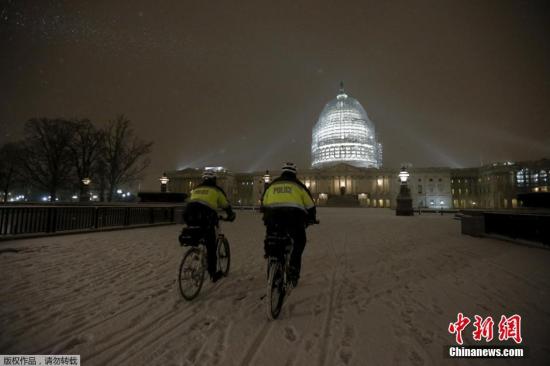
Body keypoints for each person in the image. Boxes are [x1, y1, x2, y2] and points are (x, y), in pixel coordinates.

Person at [261, 162, 317, 287]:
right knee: (299, 242)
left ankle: (272, 263)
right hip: (293, 222)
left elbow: (263, 203)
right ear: (294, 173)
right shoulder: (299, 186)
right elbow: (311, 206)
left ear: (282, 172)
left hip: (273, 221)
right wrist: (312, 218)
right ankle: (293, 270)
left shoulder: (272, 185)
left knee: (272, 240)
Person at [182, 170, 236, 282]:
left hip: (190, 217)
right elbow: (225, 205)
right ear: (214, 179)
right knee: (211, 246)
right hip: (205, 218)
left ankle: (197, 253)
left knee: (198, 235)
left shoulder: (196, 189)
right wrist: (231, 215)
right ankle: (213, 273)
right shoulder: (216, 190)